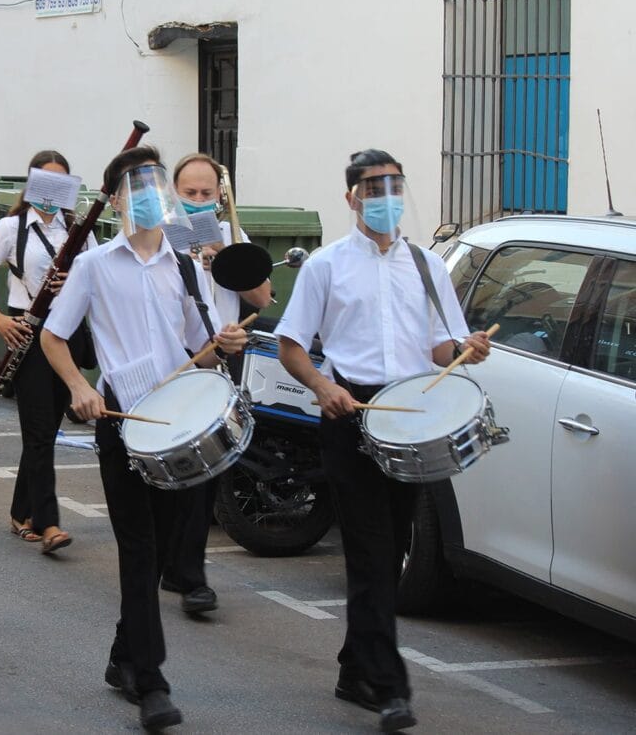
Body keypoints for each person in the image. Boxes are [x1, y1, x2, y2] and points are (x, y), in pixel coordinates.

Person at [275, 149, 492, 733]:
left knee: (391, 548)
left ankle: (353, 667)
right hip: (350, 414)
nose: (386, 195)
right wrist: (322, 387)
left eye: (394, 185)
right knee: (370, 551)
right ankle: (389, 685)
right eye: (373, 187)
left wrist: (467, 348)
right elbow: (292, 343)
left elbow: (442, 349)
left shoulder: (426, 265)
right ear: (351, 198)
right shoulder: (325, 266)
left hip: (411, 416)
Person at [40, 146, 249, 731]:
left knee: (158, 550)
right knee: (139, 550)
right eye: (137, 186)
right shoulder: (95, 265)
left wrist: (223, 343)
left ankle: (123, 657)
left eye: (155, 184)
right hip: (122, 424)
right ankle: (152, 682)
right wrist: (80, 387)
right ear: (115, 200)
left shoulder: (185, 263)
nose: (151, 195)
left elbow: (198, 344)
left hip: (176, 423)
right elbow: (53, 338)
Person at [160, 152, 274, 615]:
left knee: (205, 473)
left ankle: (190, 574)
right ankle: (177, 564)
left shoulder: (231, 234)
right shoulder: (164, 235)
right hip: (176, 360)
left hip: (221, 360)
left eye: (208, 194)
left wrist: (223, 259)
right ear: (176, 193)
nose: (199, 201)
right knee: (174, 472)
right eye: (190, 194)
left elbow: (263, 297)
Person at [0, 150, 89, 553]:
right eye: (44, 180)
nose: (52, 191)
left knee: (47, 432)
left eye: (61, 182)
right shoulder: (10, 227)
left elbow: (96, 288)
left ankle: (22, 512)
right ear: (31, 183)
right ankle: (49, 522)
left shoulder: (79, 230)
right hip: (27, 331)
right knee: (37, 432)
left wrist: (74, 281)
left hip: (65, 331)